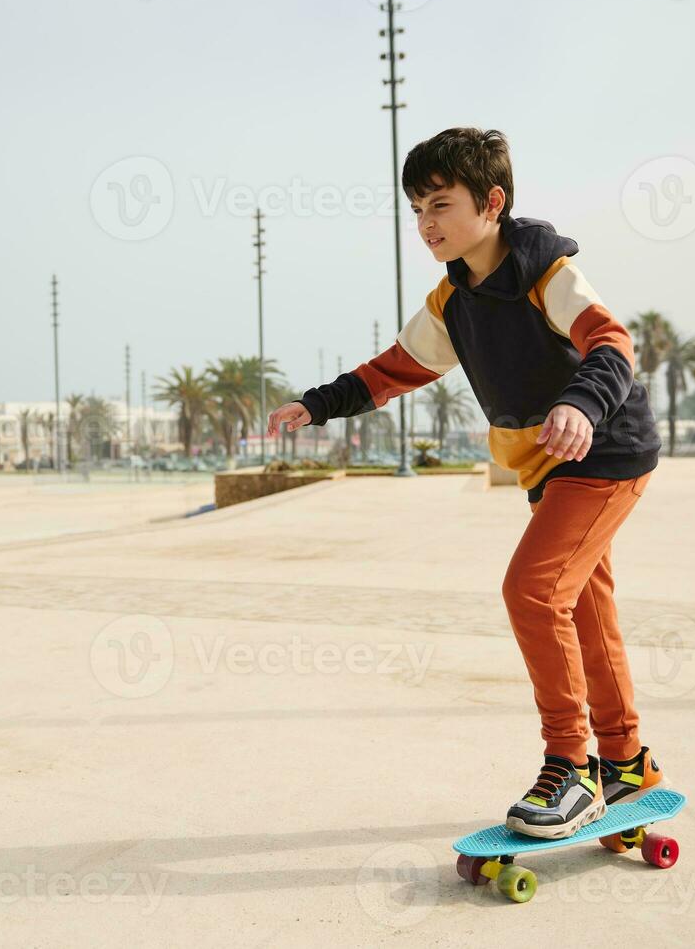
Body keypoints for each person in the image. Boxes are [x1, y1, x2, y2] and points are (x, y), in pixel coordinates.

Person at [267, 128, 663, 841]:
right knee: (582, 608)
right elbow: (392, 368)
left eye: (440, 205)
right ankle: (625, 761)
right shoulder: (453, 301)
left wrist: (579, 403)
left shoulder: (548, 273)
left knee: (533, 591)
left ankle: (569, 766)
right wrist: (319, 403)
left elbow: (610, 343)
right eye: (416, 208)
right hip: (546, 462)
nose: (425, 224)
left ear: (491, 202)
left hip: (604, 450)